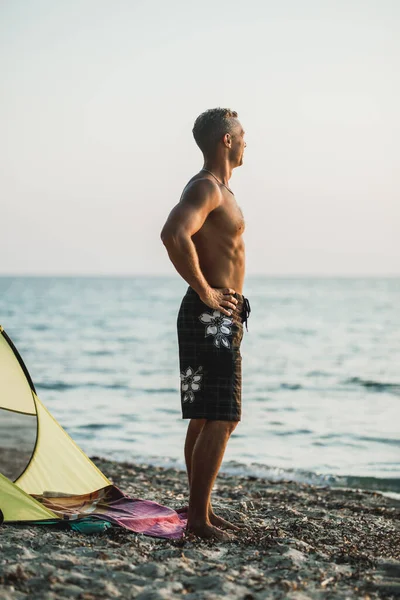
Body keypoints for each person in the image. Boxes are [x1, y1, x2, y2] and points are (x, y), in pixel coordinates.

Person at [160, 107, 251, 540]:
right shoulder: (206, 188)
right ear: (226, 141)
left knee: (204, 415)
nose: (248, 142)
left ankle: (203, 512)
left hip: (215, 315)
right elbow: (173, 233)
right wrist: (206, 292)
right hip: (210, 314)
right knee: (221, 416)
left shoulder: (218, 189)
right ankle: (198, 520)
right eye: (243, 135)